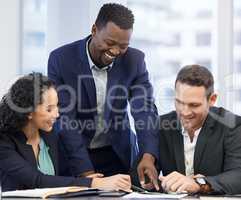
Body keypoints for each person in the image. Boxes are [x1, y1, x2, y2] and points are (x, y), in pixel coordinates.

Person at [48, 3, 159, 189]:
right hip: (75, 155)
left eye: (123, 46)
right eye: (109, 43)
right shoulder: (61, 59)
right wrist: (88, 176)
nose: (115, 51)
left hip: (116, 154)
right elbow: (65, 119)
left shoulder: (135, 60)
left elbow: (144, 109)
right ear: (94, 30)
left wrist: (148, 155)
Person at [0, 73, 131, 192]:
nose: (57, 114)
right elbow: (37, 181)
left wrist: (86, 179)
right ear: (29, 111)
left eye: (57, 106)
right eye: (49, 109)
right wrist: (94, 183)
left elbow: (61, 177)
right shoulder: (4, 142)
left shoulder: (49, 134)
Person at [157, 65, 241, 194]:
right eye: (179, 102)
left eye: (194, 105)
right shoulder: (161, 125)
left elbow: (237, 176)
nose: (184, 112)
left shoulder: (232, 124)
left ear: (212, 100)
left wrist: (199, 184)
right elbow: (141, 176)